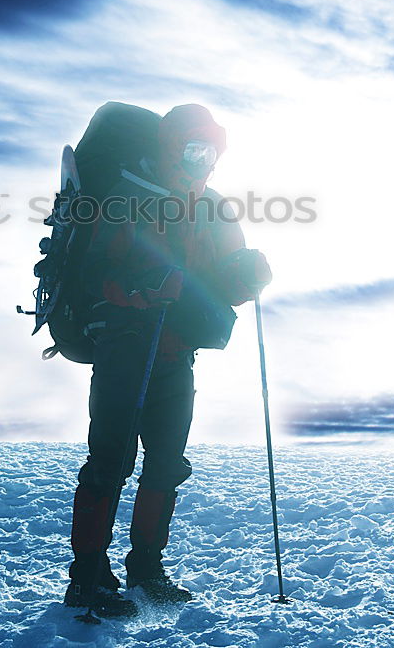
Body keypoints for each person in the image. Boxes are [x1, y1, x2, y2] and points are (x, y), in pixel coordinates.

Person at [63, 103, 272, 617]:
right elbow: (93, 273)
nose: (201, 160)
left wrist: (246, 276)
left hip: (176, 352)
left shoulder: (214, 209)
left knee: (166, 463)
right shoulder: (124, 197)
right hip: (123, 343)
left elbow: (220, 283)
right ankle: (88, 578)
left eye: (210, 151)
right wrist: (136, 290)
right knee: (111, 461)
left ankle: (146, 569)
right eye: (192, 147)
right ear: (170, 144)